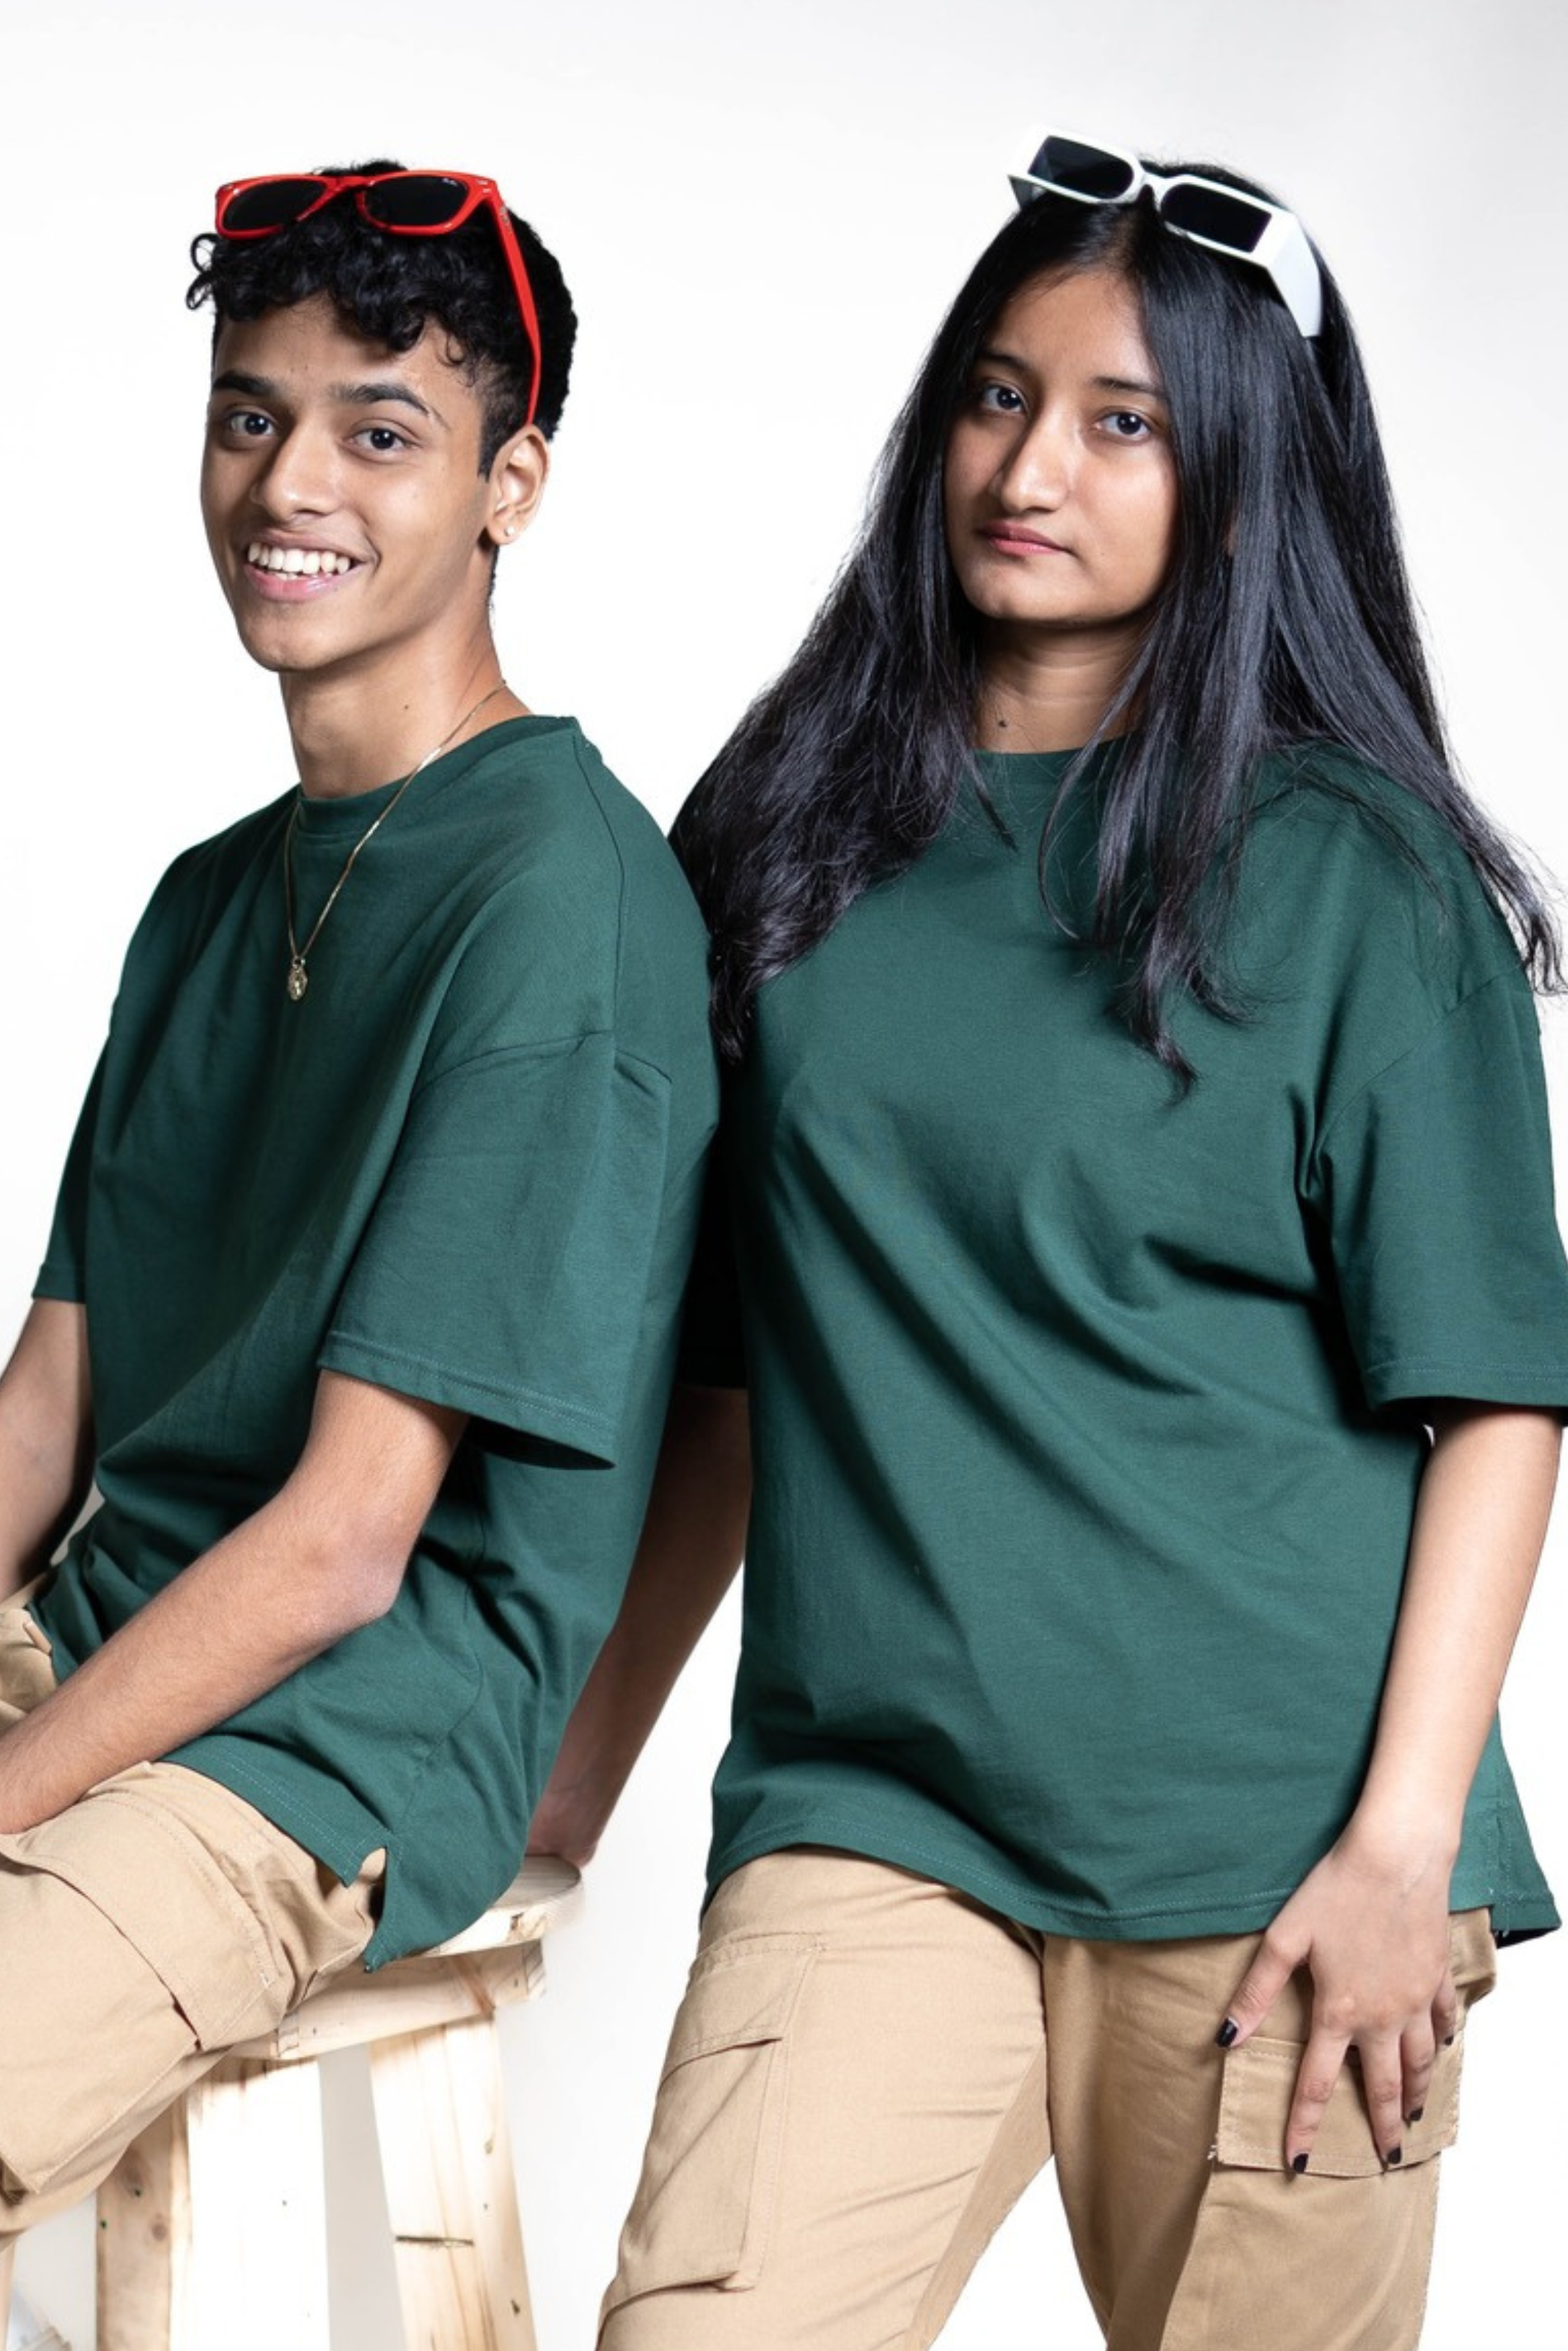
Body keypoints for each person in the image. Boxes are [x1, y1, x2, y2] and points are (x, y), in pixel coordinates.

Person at [533, 134, 1568, 2348]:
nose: (1030, 469)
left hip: (1289, 1858)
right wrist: (556, 1801)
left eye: (1125, 423)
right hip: (879, 1817)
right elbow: (727, 1377)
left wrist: (1405, 1851)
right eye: (999, 396)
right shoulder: (788, 830)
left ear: (1244, 484)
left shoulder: (1361, 877)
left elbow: (1496, 1397)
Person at [0, 163, 715, 2246]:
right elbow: (49, 1406)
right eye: (252, 412)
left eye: (379, 430)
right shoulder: (210, 894)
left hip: (335, 1739)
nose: (288, 482)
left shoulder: (559, 903)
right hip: (109, 1647)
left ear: (512, 483)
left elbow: (342, 1543)